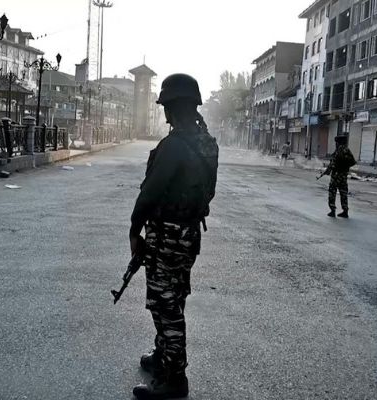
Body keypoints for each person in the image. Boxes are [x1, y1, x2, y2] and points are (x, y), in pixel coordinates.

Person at [129, 73, 219, 400]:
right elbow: (208, 192)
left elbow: (149, 194)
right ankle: (162, 357)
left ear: (169, 109)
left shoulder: (173, 146)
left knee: (164, 305)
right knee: (173, 297)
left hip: (166, 234)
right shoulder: (207, 143)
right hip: (189, 234)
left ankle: (174, 378)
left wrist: (134, 230)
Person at [324, 135, 356, 218]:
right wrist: (345, 167)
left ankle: (332, 210)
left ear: (338, 142)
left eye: (336, 142)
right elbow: (353, 162)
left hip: (336, 175)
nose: (335, 144)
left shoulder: (339, 150)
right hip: (343, 175)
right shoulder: (347, 150)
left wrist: (329, 170)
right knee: (343, 193)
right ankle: (345, 211)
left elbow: (333, 163)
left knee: (332, 191)